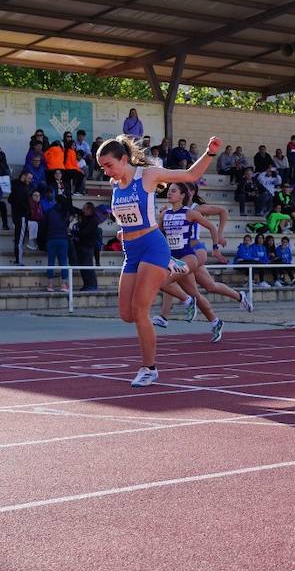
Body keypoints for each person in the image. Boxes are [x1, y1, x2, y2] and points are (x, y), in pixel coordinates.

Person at [96, 132, 224, 388]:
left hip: (153, 247)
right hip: (130, 251)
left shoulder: (149, 175)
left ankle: (149, 368)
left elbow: (190, 176)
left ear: (123, 159)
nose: (106, 172)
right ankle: (174, 273)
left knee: (141, 310)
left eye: (108, 165)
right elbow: (128, 217)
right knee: (126, 314)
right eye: (102, 168)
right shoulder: (115, 185)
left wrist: (210, 152)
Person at [156, 182, 236, 339]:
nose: (169, 193)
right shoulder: (164, 215)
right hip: (173, 257)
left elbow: (212, 227)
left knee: (161, 282)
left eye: (173, 191)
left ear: (182, 195)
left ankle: (186, 301)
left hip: (188, 257)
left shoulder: (190, 213)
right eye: (169, 191)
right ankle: (215, 321)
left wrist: (215, 247)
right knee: (195, 294)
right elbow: (157, 235)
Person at [73, 202, 103, 291]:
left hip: (88, 246)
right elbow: (78, 211)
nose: (83, 210)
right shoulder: (86, 218)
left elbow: (85, 232)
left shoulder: (93, 220)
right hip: (82, 245)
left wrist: (76, 233)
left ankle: (92, 285)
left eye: (84, 208)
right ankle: (87, 284)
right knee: (83, 267)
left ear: (89, 209)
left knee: (87, 265)